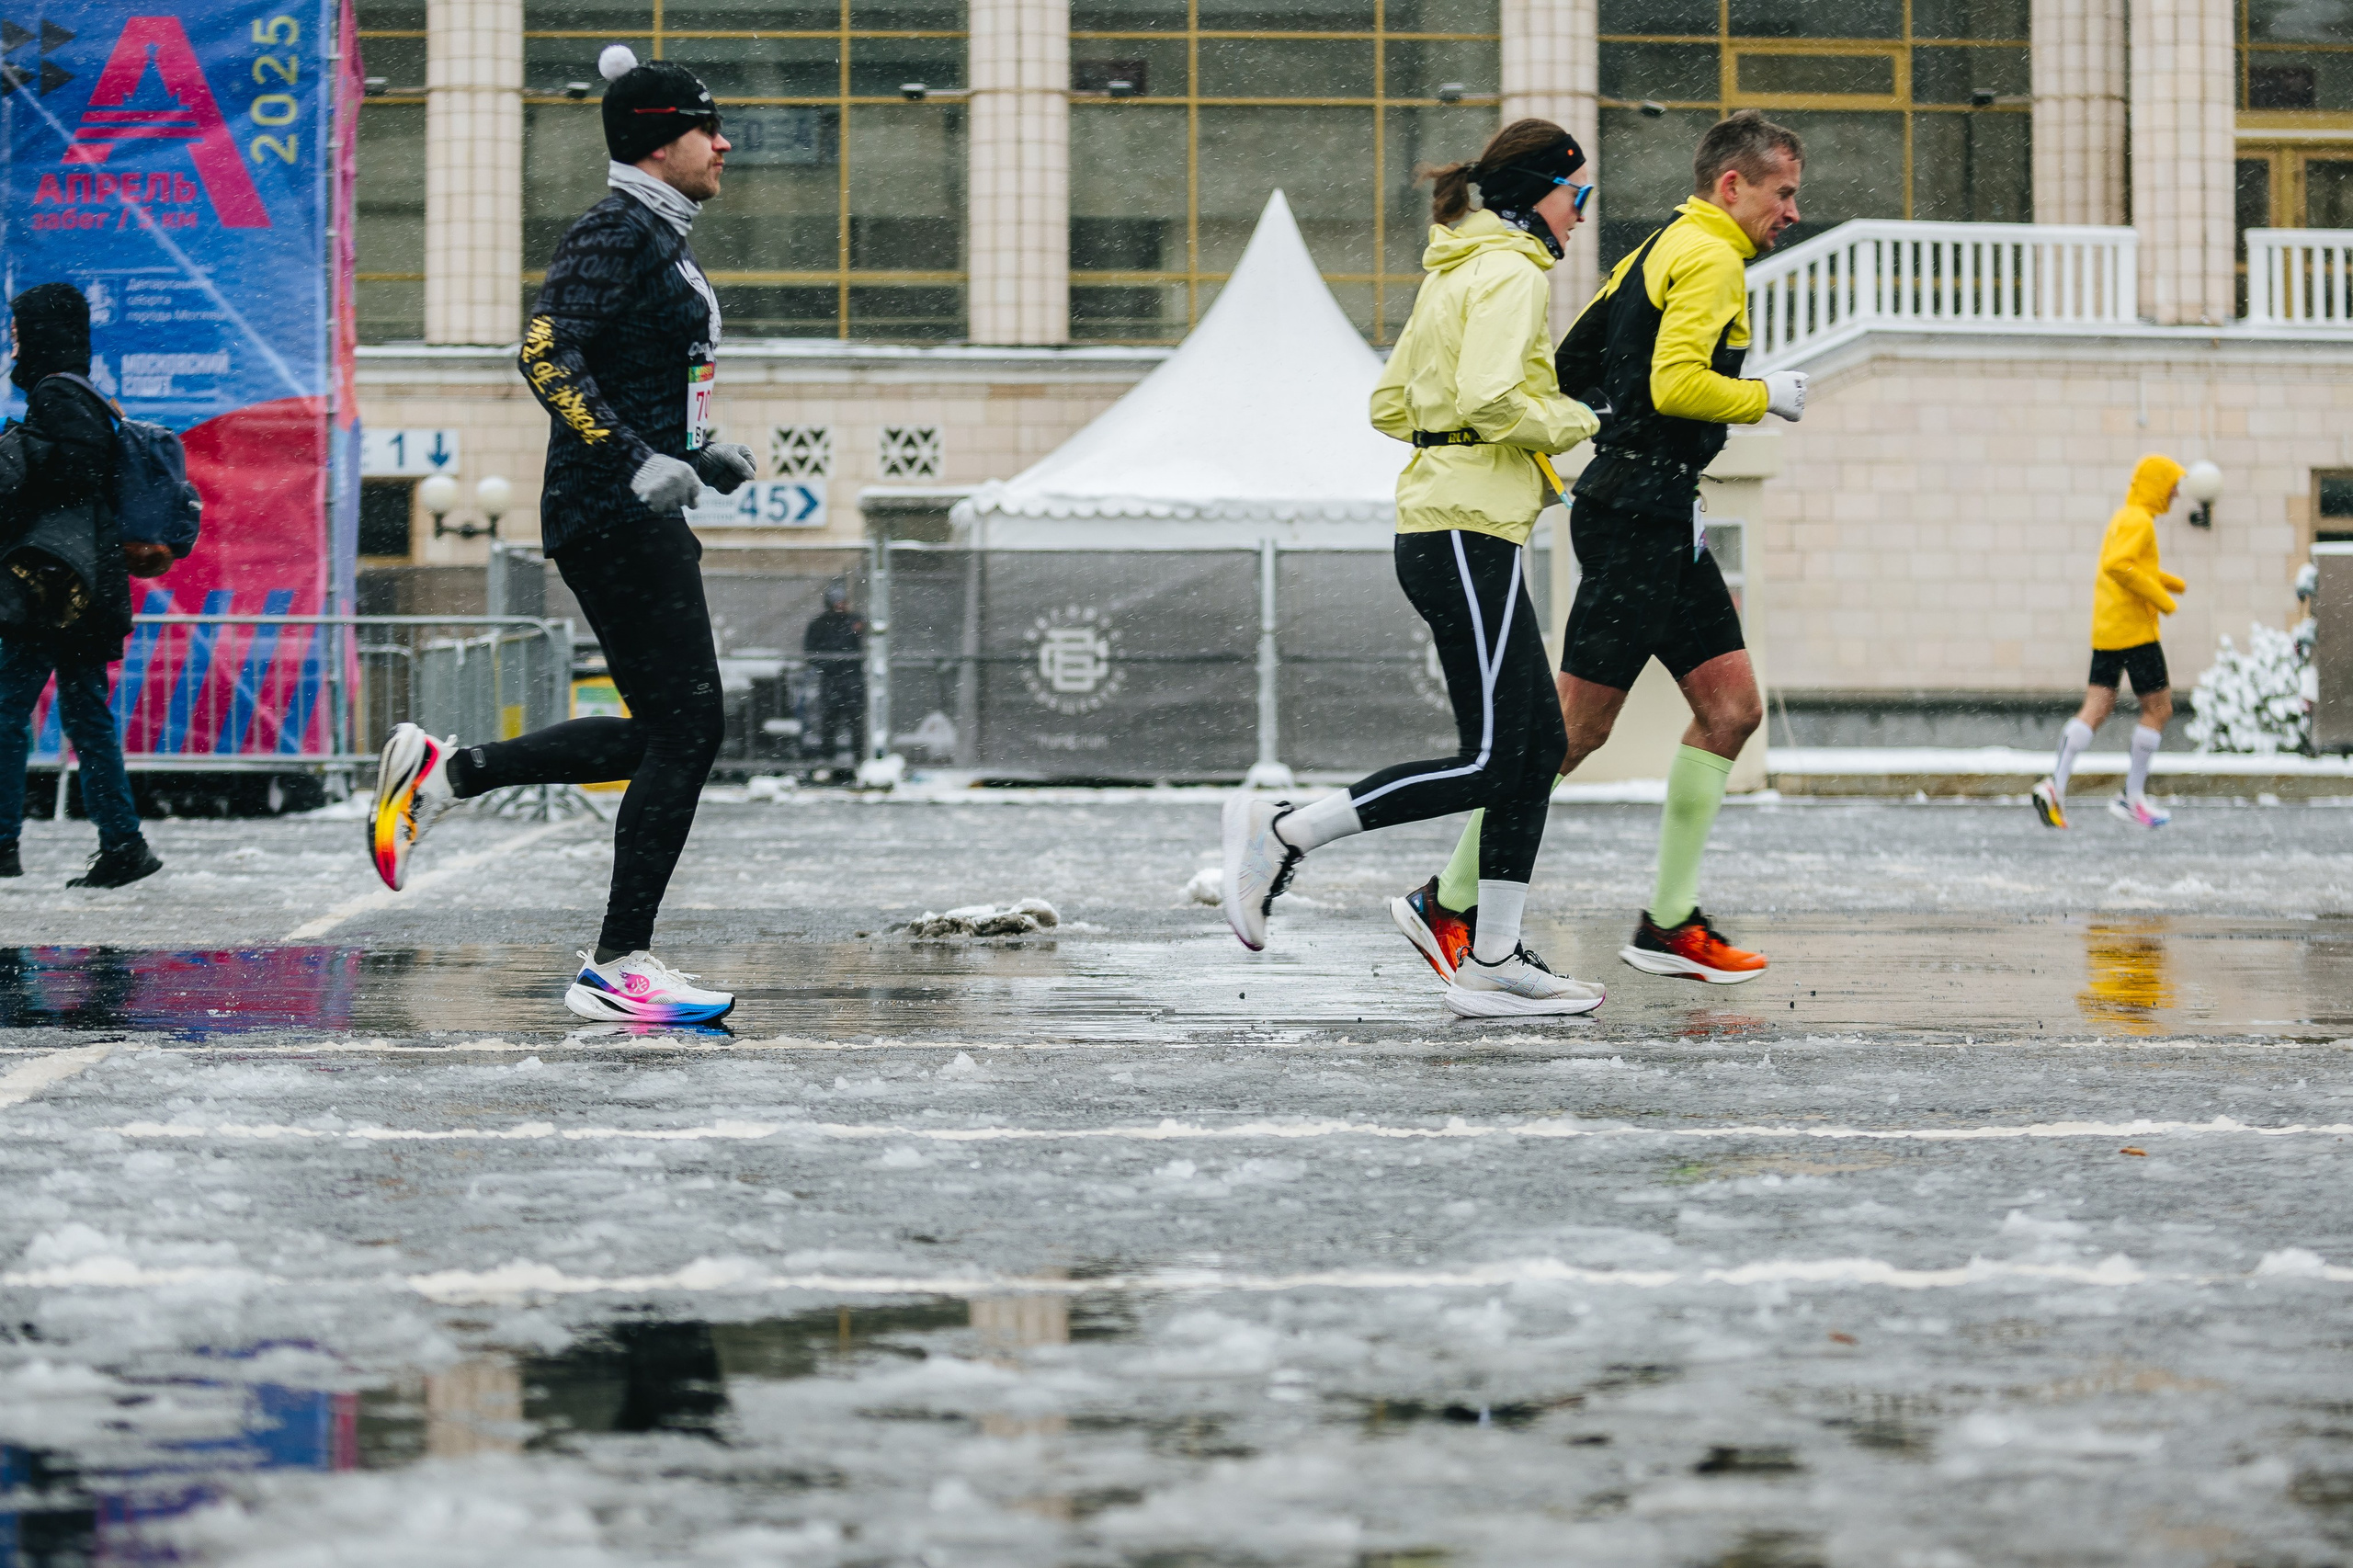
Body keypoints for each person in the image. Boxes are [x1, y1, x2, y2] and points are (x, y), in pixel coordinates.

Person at [367, 45, 755, 1024]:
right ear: (660, 143)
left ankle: (450, 775)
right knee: (690, 724)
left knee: (669, 728)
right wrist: (633, 456)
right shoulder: (617, 228)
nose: (725, 143)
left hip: (628, 507)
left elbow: (626, 366)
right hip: (610, 510)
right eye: (708, 128)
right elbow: (544, 350)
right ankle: (618, 960)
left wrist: (693, 452)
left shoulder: (658, 233)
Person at [1391, 110, 1809, 991]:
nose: (1793, 214)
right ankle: (1450, 900)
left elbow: (1577, 355)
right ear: (1732, 186)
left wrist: (1601, 429)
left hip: (1656, 507)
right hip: (1638, 516)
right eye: (1784, 194)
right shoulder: (1710, 256)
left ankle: (1668, 920)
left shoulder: (1657, 247)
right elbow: (1675, 383)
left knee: (1731, 709)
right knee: (1568, 734)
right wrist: (1765, 394)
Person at [1222, 118, 1605, 1018]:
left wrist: (1456, 429)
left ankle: (1494, 956)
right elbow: (1490, 398)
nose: (1581, 216)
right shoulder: (1509, 272)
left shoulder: (1458, 271)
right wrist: (1578, 418)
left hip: (1451, 526)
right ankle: (1285, 832)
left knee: (1536, 748)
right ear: (1538, 195)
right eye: (1576, 195)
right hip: (1467, 528)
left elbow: (1392, 404)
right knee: (1489, 757)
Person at [0, 283, 174, 889]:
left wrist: (22, 456)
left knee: (6, 709)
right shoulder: (82, 392)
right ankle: (123, 843)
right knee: (86, 717)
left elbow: (75, 468)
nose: (13, 337)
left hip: (55, 586)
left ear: (44, 331)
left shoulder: (57, 394)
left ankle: (2, 841)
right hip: (88, 588)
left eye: (20, 328)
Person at [2033, 455, 2188, 831]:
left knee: (2096, 708)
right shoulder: (2140, 521)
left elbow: (2124, 564)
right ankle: (2131, 797)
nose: (2177, 493)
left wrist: (2165, 580)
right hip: (2136, 632)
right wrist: (2161, 599)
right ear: (2156, 486)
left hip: (2108, 630)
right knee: (2159, 708)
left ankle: (2056, 785)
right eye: (2172, 486)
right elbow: (2119, 565)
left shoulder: (2123, 516)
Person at [801, 580, 865, 760]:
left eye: (843, 601)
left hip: (852, 681)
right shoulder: (820, 624)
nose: (841, 605)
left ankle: (858, 762)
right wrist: (830, 665)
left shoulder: (854, 621)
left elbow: (865, 637)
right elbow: (811, 651)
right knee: (829, 724)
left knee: (856, 724)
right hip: (832, 681)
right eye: (837, 601)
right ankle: (829, 763)